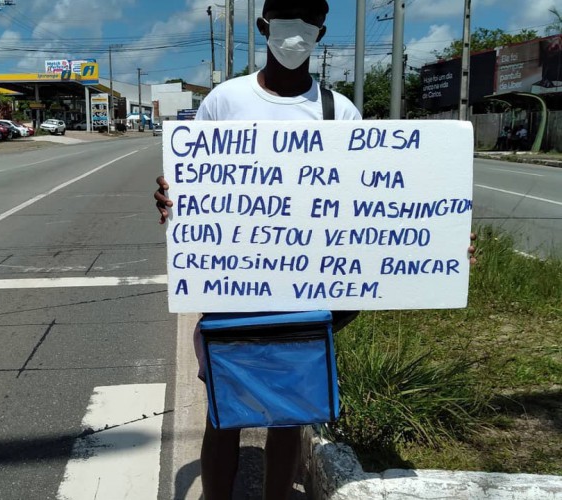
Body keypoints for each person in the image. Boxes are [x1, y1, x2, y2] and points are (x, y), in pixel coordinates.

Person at [154, 1, 478, 498]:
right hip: (235, 287)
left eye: (308, 21)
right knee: (224, 416)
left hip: (306, 289)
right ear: (264, 26)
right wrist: (174, 199)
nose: (295, 33)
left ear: (321, 31)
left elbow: (364, 199)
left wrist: (446, 239)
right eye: (286, 19)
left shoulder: (339, 110)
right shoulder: (224, 100)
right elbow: (195, 182)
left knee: (290, 415)